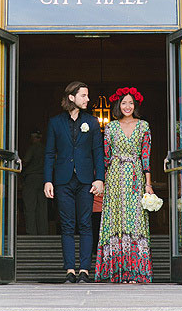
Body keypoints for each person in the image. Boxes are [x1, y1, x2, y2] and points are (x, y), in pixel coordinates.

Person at [44, 81, 105, 284]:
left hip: (87, 180)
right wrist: (48, 181)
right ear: (72, 97)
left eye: (87, 96)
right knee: (68, 226)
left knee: (86, 225)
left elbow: (98, 152)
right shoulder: (55, 122)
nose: (88, 99)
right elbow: (49, 154)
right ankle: (70, 269)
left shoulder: (93, 122)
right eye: (84, 96)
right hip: (62, 180)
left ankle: (85, 270)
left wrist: (99, 178)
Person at [95, 86, 153, 284]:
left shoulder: (143, 126)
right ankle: (116, 272)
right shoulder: (110, 127)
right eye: (124, 103)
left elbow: (145, 156)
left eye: (130, 103)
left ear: (135, 105)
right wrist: (101, 180)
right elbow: (105, 157)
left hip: (136, 175)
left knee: (135, 221)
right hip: (115, 177)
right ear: (118, 105)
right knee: (116, 220)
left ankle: (136, 272)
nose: (127, 106)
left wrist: (148, 184)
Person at [22, 129, 48, 236]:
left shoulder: (33, 148)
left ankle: (31, 232)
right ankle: (43, 232)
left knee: (30, 206)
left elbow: (25, 161)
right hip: (43, 178)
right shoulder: (45, 148)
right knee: (42, 207)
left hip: (31, 178)